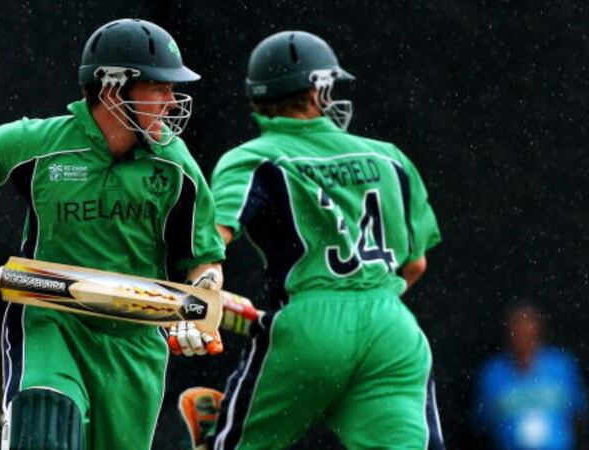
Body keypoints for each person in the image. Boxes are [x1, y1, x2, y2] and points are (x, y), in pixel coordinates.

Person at [0, 18, 226, 450]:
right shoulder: (43, 142)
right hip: (51, 317)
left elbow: (204, 261)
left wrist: (197, 304)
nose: (170, 101)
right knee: (44, 419)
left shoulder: (175, 165)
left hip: (135, 343)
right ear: (112, 88)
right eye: (159, 88)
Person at [178, 31, 444, 449]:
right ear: (318, 88)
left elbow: (211, 240)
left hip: (306, 331)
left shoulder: (254, 157)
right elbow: (415, 265)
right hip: (392, 330)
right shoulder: (388, 156)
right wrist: (361, 314)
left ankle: (219, 431)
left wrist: (202, 290)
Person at [473, 303, 586, 449]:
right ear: (508, 334)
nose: (523, 338)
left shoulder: (561, 366)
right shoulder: (492, 373)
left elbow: (578, 412)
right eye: (518, 332)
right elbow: (482, 422)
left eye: (527, 331)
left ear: (538, 331)